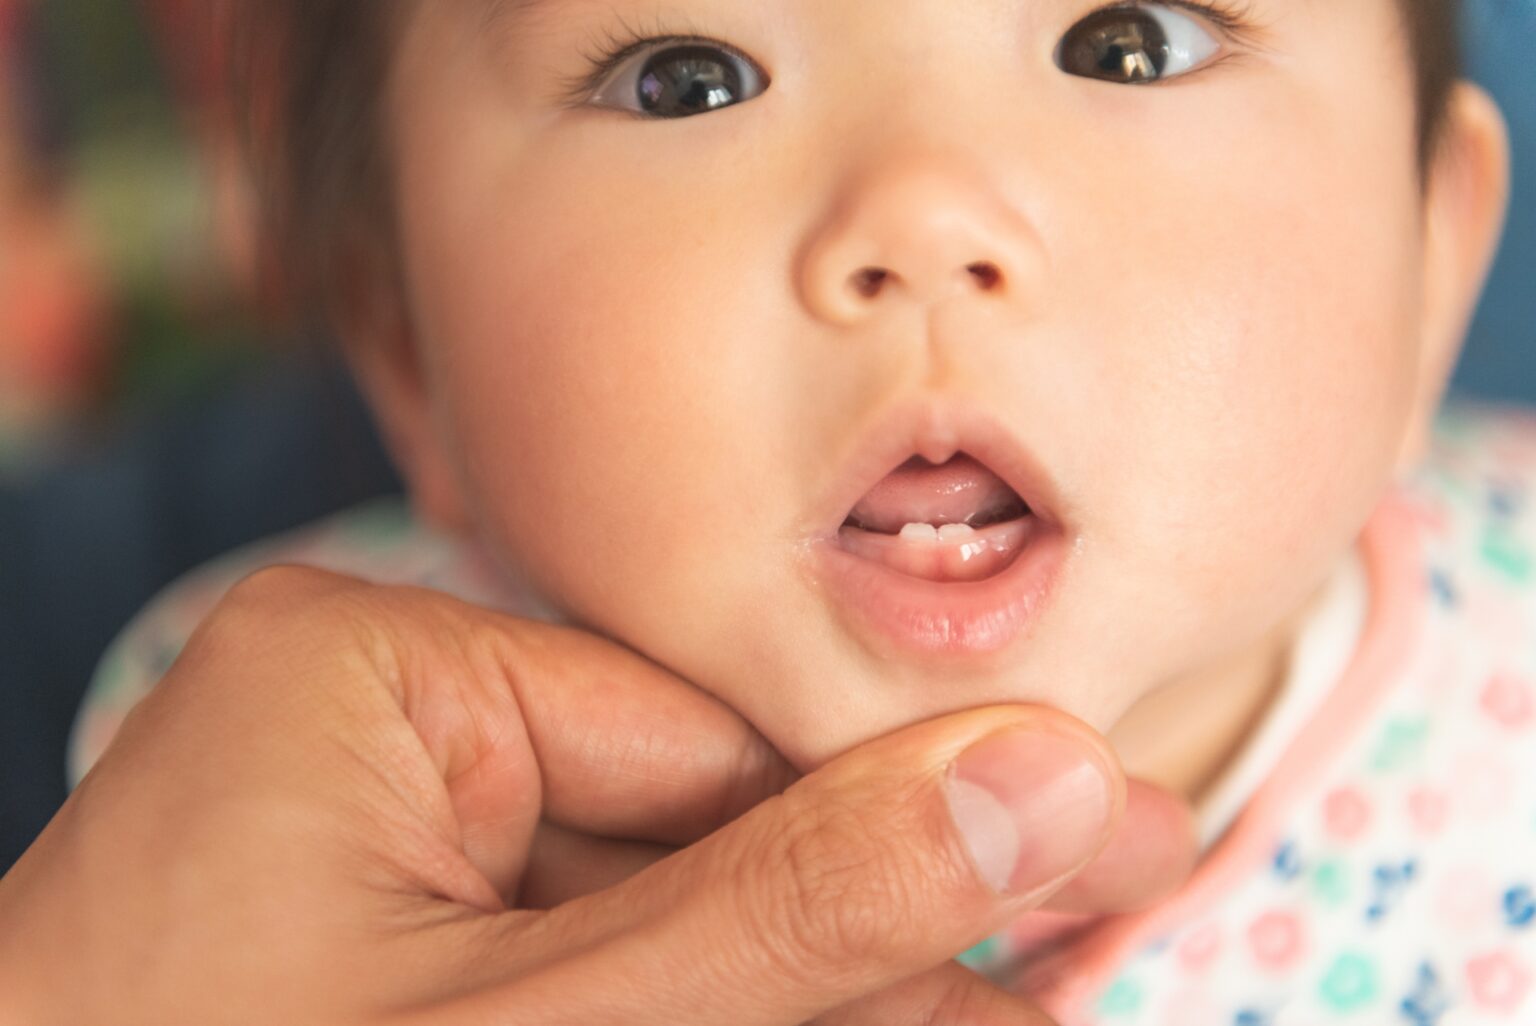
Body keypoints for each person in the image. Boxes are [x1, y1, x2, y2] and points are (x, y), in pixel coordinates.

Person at [6, 0, 1530, 1021]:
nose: (924, 210)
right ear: (410, 356)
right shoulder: (248, 801)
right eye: (688, 79)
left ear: (1432, 260)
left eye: (1125, 44)